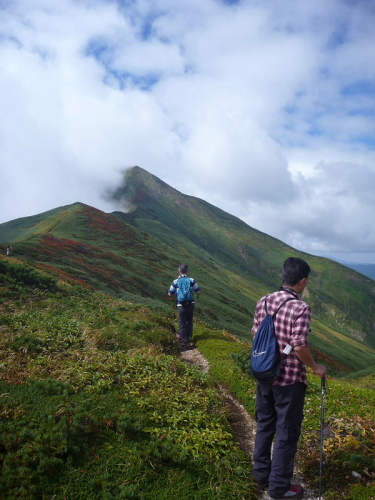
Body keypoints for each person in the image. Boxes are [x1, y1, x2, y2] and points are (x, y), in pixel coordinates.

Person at [251, 257, 326, 500]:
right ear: (302, 281)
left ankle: (261, 475)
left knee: (264, 426)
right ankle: (279, 488)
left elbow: (255, 333)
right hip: (289, 380)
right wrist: (315, 367)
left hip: (264, 374)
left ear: (284, 276)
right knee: (286, 433)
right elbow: (299, 345)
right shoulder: (300, 308)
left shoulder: (264, 301)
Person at [168, 264, 201, 351]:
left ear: (179, 271)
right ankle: (189, 338)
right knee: (189, 320)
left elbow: (170, 293)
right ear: (187, 271)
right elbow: (198, 291)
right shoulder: (191, 280)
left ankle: (183, 341)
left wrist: (178, 293)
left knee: (181, 322)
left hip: (180, 304)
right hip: (190, 303)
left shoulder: (175, 281)